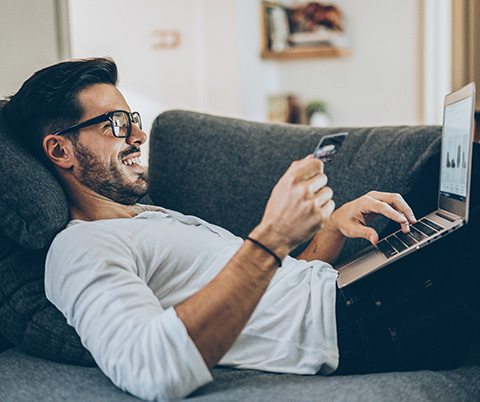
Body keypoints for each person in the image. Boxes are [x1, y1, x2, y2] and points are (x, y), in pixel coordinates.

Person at [3, 58, 479, 401]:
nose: (139, 136)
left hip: (349, 294)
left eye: (134, 120)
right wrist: (270, 237)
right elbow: (152, 371)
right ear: (60, 151)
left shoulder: (147, 217)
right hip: (360, 322)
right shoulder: (78, 250)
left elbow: (273, 304)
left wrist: (331, 232)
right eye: (115, 124)